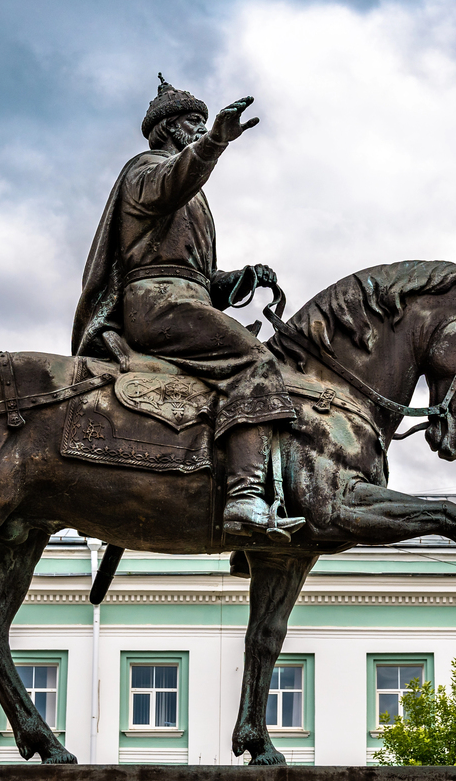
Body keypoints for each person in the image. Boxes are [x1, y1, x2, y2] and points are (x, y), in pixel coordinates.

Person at [72, 77, 302, 540]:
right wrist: (215, 141)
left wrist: (241, 279)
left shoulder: (194, 195)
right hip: (156, 305)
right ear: (169, 127)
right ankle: (244, 496)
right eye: (194, 122)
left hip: (183, 299)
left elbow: (199, 278)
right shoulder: (144, 171)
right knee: (254, 360)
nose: (200, 128)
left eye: (203, 123)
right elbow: (171, 184)